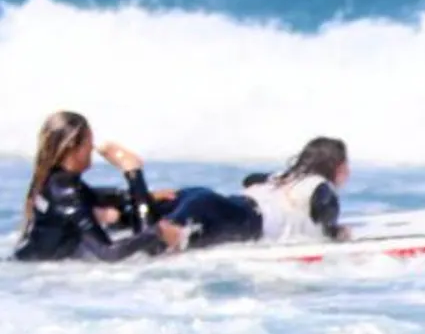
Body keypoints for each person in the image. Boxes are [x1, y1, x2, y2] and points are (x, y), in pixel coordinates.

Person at [13, 111, 188, 262]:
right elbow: (109, 253)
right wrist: (157, 232)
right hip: (39, 272)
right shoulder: (67, 191)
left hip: (28, 266)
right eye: (88, 142)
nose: (92, 148)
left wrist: (147, 195)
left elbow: (94, 196)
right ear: (73, 147)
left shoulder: (52, 181)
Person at [162, 136, 352, 248]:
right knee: (197, 202)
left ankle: (164, 230)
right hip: (250, 219)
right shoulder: (320, 186)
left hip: (232, 211)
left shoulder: (281, 178)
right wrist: (335, 231)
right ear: (337, 166)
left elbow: (249, 179)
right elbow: (324, 209)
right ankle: (169, 231)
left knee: (195, 200)